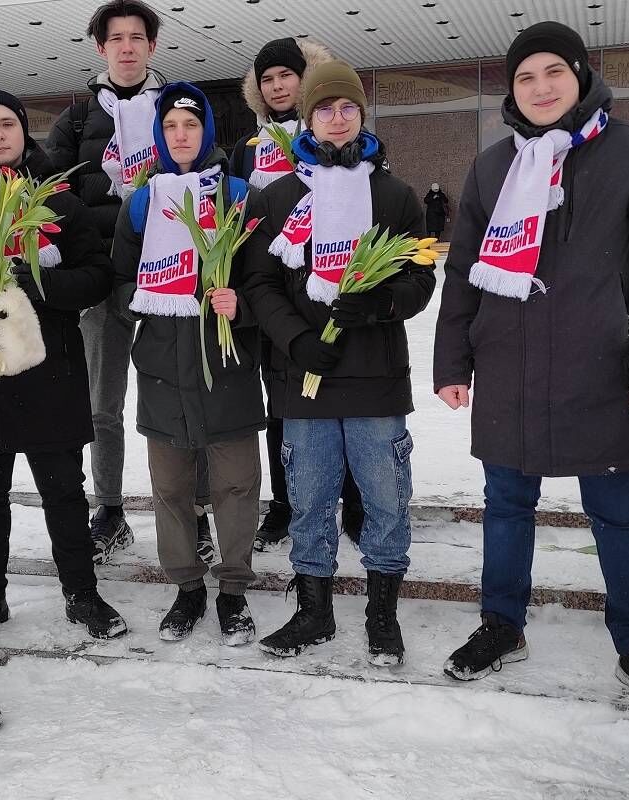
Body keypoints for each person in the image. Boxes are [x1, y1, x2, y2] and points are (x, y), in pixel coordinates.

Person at [433, 22, 629, 722]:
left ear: (581, 75)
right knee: (506, 505)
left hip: (603, 368)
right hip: (510, 366)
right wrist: (452, 358)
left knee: (617, 512)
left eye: (553, 71)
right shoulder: (493, 166)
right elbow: (462, 273)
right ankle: (501, 623)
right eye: (525, 77)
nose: (540, 87)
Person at [242, 61, 434, 664]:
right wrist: (297, 341)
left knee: (383, 500)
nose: (337, 118)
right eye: (325, 108)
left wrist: (381, 301)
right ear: (307, 115)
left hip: (377, 379)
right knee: (310, 498)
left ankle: (382, 614)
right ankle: (313, 612)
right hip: (306, 380)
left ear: (361, 114)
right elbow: (261, 284)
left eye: (347, 107)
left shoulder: (395, 194)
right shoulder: (279, 196)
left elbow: (421, 279)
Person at [46, 0, 224, 566]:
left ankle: (196, 514)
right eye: (116, 38)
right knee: (104, 405)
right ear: (101, 48)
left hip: (176, 281)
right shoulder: (76, 119)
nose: (127, 47)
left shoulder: (177, 108)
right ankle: (110, 510)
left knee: (183, 396)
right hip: (104, 282)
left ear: (152, 46)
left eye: (137, 37)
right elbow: (55, 194)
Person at [0, 89, 128, 641]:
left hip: (51, 371)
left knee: (63, 493)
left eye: (8, 124)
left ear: (24, 133)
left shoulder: (59, 201)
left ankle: (81, 593)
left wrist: (38, 282)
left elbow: (98, 274)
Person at [111, 83, 264, 645]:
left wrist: (238, 305)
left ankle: (233, 593)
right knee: (171, 488)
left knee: (236, 485)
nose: (181, 136)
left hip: (226, 364)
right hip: (161, 367)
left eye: (191, 126)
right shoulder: (142, 201)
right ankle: (187, 588)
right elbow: (120, 274)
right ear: (159, 135)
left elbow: (262, 278)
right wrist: (144, 301)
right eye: (171, 127)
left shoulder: (238, 193)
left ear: (207, 134)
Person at [227, 36, 365, 553]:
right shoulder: (247, 148)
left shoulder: (333, 134)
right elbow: (236, 218)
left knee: (346, 398)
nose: (278, 85)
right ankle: (286, 503)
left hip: (332, 285)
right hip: (274, 295)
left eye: (287, 75)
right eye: (267, 79)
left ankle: (352, 502)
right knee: (281, 404)